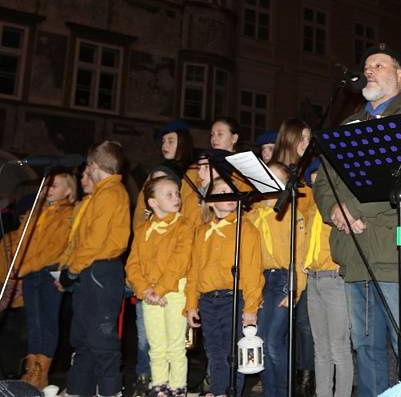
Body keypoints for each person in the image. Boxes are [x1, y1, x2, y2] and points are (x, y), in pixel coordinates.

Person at [312, 43, 401, 396]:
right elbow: (325, 182)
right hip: (356, 253)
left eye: (379, 65)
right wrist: (334, 211)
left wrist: (355, 212)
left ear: (400, 74)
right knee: (365, 346)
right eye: (366, 66)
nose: (370, 71)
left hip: (397, 255)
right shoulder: (348, 125)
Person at [58, 141, 131, 397]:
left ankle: (110, 391)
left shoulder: (111, 194)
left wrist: (73, 269)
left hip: (101, 271)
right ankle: (78, 389)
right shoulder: (101, 194)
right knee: (83, 338)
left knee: (102, 339)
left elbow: (95, 240)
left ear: (94, 165)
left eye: (88, 165)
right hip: (91, 271)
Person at [185, 177, 263, 397]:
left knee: (232, 353)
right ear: (210, 201)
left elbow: (251, 270)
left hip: (233, 298)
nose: (229, 196)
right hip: (208, 301)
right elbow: (194, 272)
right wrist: (191, 304)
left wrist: (251, 307)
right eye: (222, 191)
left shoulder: (245, 230)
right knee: (215, 351)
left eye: (232, 191)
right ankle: (219, 391)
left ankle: (230, 393)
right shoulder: (202, 233)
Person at [125, 175, 193, 397]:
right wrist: (145, 289)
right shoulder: (143, 230)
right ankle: (160, 385)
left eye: (177, 193)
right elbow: (132, 264)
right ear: (153, 202)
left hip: (174, 290)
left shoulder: (184, 226)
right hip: (149, 294)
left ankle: (177, 387)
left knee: (175, 345)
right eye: (169, 194)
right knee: (156, 345)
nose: (176, 197)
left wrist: (160, 289)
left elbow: (180, 260)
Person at [246, 161, 307, 397]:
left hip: (283, 278)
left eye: (276, 179)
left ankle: (283, 392)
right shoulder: (252, 217)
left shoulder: (293, 215)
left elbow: (299, 255)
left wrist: (296, 288)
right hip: (260, 281)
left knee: (272, 341)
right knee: (260, 341)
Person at [13, 170, 77, 388]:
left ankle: (41, 373)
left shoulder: (68, 214)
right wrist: (18, 266)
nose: (50, 189)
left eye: (56, 185)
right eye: (48, 185)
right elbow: (22, 241)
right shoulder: (35, 212)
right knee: (33, 323)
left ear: (68, 190)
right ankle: (31, 369)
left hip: (49, 272)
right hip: (29, 273)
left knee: (47, 322)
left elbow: (55, 248)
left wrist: (24, 268)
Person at [271, 118, 316, 396]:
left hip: (304, 258)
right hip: (275, 261)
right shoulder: (273, 172)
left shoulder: (308, 174)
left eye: (309, 139)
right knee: (278, 326)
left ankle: (306, 376)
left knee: (303, 322)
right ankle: (282, 375)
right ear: (289, 139)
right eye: (302, 138)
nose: (306, 144)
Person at [303, 159, 354, 397]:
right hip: (313, 279)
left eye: (321, 183)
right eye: (314, 185)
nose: (317, 190)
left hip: (334, 278)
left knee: (339, 348)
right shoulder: (311, 211)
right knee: (320, 349)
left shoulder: (338, 210)